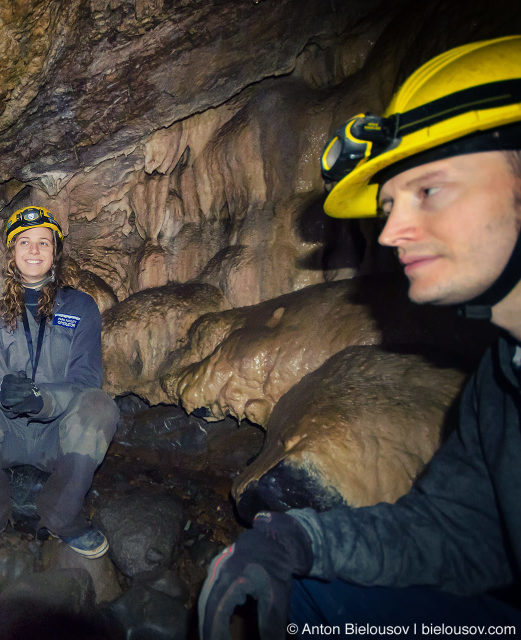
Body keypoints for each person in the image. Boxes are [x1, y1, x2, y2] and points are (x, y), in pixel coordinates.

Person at [198, 35, 521, 639]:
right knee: (314, 594)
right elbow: (456, 533)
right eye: (391, 202)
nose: (393, 229)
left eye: (430, 190)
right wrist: (302, 539)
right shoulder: (501, 379)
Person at [0, 205, 120, 558]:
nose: (34, 251)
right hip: (8, 433)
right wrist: (0, 391)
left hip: (59, 435)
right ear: (13, 253)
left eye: (44, 242)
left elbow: (87, 378)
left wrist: (44, 398)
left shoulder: (81, 307)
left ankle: (64, 516)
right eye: (25, 242)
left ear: (55, 252)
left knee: (102, 406)